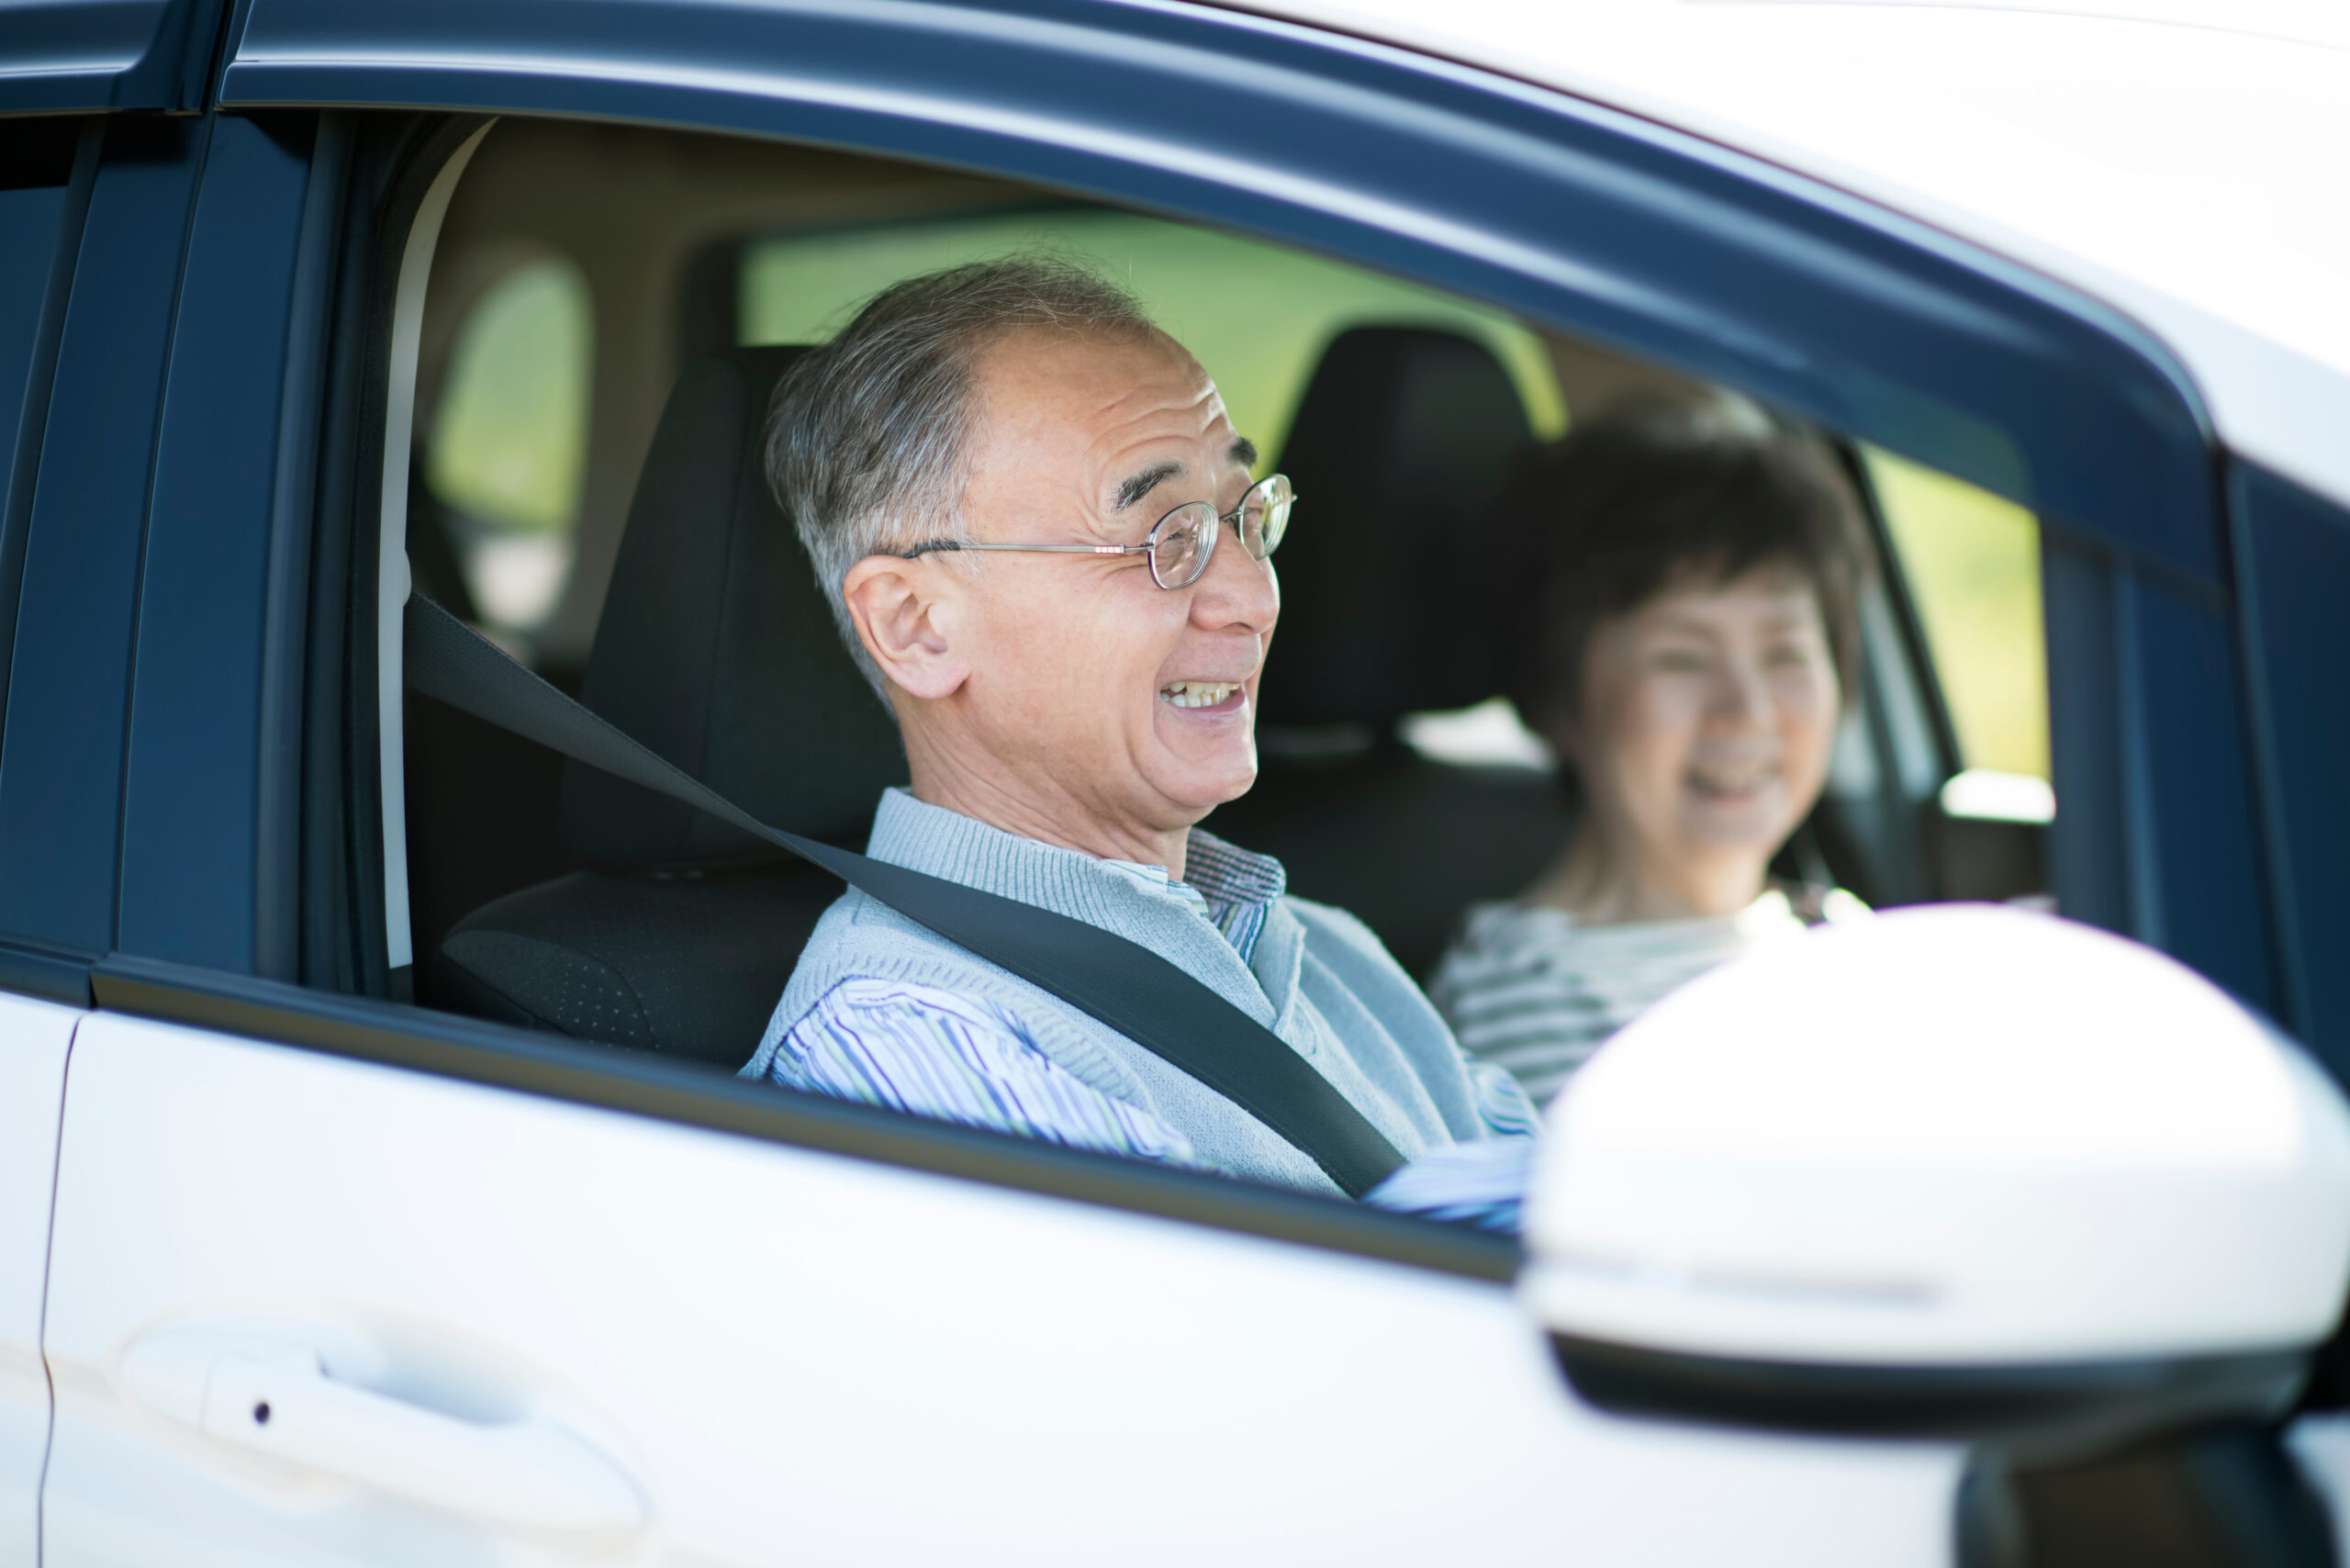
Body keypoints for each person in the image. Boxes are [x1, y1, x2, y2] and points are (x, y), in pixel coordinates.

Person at [737, 257, 1537, 1228]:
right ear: (915, 625)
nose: (1253, 597)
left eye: (1247, 518)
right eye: (1164, 537)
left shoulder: (1329, 952)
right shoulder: (919, 1048)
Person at [1428, 397, 1876, 1111]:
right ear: (1555, 695)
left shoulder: (1841, 935)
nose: (1748, 711)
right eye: (1681, 659)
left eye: (1785, 652)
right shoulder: (1520, 1008)